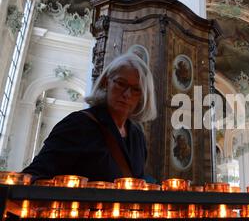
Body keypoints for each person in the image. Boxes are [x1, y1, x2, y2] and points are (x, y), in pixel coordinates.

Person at [22, 53, 157, 183]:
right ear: (106, 82)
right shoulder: (78, 125)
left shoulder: (137, 137)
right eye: (121, 84)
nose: (127, 94)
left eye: (136, 90)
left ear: (142, 97)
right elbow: (34, 176)